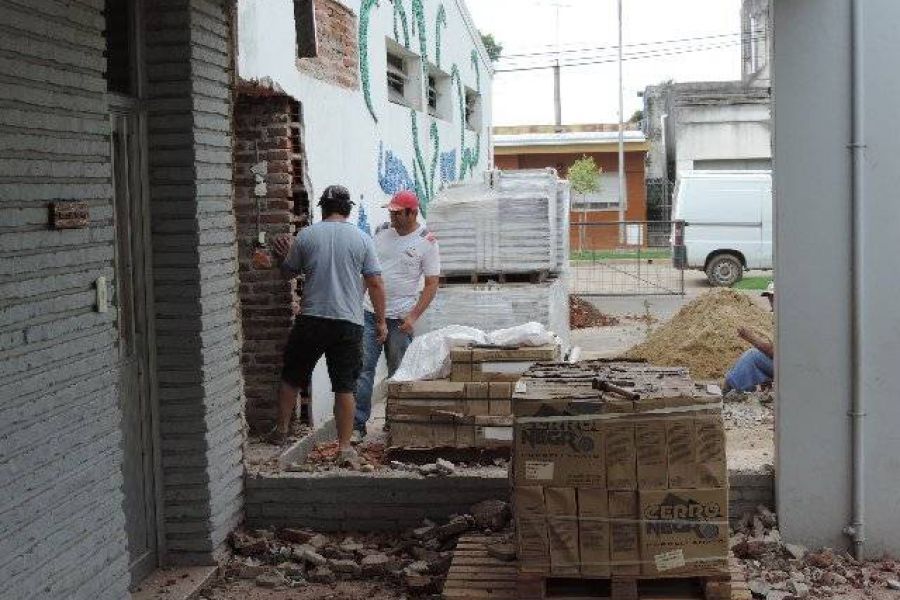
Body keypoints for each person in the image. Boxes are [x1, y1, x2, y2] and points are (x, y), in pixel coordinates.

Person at [270, 185, 388, 465]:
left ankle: (282, 430)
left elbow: (288, 272)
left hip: (312, 318)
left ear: (322, 207)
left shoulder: (306, 236)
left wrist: (282, 257)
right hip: (348, 322)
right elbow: (375, 282)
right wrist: (381, 321)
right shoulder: (362, 239)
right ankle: (345, 446)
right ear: (347, 209)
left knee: (292, 375)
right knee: (345, 386)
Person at [353, 190, 441, 440]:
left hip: (401, 319)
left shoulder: (427, 241)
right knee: (363, 369)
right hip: (370, 313)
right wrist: (357, 303)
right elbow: (367, 273)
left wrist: (413, 317)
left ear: (412, 213)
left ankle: (395, 423)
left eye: (397, 212)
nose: (391, 216)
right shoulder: (381, 232)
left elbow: (432, 283)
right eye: (390, 212)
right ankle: (358, 425)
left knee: (399, 373)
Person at [723, 282, 775, 394]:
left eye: (774, 298)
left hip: (792, 366)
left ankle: (729, 389)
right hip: (788, 363)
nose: (771, 302)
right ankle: (741, 387)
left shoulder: (788, 319)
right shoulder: (782, 315)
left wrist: (751, 337)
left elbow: (774, 352)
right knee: (755, 355)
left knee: (752, 356)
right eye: (770, 298)